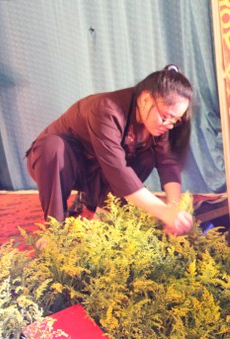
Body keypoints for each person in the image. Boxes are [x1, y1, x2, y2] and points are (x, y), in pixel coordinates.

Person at [26, 64, 194, 235]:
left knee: (146, 156)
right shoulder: (106, 109)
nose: (169, 125)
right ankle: (54, 229)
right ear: (145, 100)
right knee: (53, 147)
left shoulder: (159, 123)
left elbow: (168, 163)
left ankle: (101, 212)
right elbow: (118, 171)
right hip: (59, 164)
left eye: (175, 120)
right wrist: (164, 212)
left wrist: (173, 207)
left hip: (99, 166)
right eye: (166, 117)